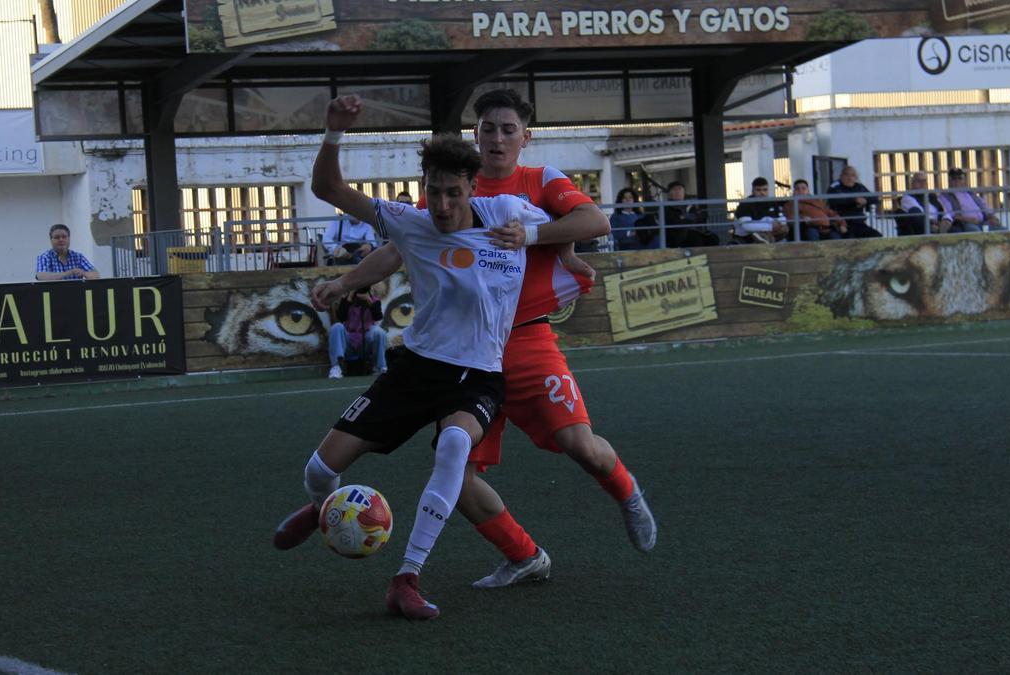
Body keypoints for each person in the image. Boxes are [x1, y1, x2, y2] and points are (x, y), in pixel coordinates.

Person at [273, 95, 609, 620]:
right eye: (434, 192)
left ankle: (407, 577)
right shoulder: (411, 222)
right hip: (414, 371)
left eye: (454, 193)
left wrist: (563, 251)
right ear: (424, 187)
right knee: (318, 470)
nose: (444, 205)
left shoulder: (507, 212)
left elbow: (579, 221)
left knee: (454, 446)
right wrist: (334, 131)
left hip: (478, 375)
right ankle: (323, 507)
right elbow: (328, 189)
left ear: (474, 187)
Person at [326, 286, 388, 379]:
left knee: (379, 331)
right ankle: (336, 367)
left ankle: (380, 367)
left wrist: (369, 301)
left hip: (365, 342)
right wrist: (350, 296)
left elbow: (378, 316)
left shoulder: (374, 301)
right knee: (336, 327)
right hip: (349, 342)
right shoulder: (347, 300)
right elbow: (341, 317)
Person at [826, 166, 881, 238]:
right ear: (841, 176)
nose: (850, 178)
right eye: (847, 175)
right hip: (841, 223)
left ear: (856, 178)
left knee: (877, 236)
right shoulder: (835, 186)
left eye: (853, 176)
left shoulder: (859, 187)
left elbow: (875, 198)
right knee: (850, 239)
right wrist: (854, 200)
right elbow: (833, 199)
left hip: (858, 223)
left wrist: (865, 200)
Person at [943, 168, 1004, 232]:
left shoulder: (970, 193)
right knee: (977, 233)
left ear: (964, 180)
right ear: (949, 180)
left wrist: (991, 217)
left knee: (1003, 230)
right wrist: (968, 219)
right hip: (965, 224)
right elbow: (950, 214)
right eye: (954, 179)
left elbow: (983, 206)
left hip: (983, 222)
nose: (957, 181)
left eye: (960, 178)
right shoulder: (946, 196)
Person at [663, 181, 719, 248]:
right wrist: (690, 218)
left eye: (680, 189)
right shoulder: (666, 207)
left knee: (713, 238)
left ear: (684, 192)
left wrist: (685, 217)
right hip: (677, 235)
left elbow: (702, 216)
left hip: (694, 232)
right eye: (674, 189)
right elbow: (674, 221)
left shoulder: (689, 205)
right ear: (669, 193)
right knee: (695, 239)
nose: (678, 192)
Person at [35, 224, 99, 280]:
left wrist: (84, 273)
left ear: (69, 238)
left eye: (64, 236)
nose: (61, 239)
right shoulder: (45, 257)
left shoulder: (78, 257)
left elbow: (96, 275)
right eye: (57, 237)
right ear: (51, 240)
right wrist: (70, 272)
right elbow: (41, 276)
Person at [733, 177, 787, 243]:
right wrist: (770, 226)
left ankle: (768, 240)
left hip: (770, 233)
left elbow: (783, 219)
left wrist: (774, 225)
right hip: (745, 238)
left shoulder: (772, 202)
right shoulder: (745, 204)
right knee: (757, 234)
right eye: (758, 190)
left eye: (765, 190)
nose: (762, 193)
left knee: (785, 228)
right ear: (752, 191)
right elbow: (746, 226)